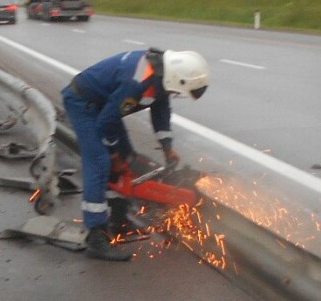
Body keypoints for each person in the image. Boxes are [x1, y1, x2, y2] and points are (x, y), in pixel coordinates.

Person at [61, 48, 210, 261]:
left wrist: (167, 146)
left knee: (127, 157)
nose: (177, 95)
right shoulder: (138, 80)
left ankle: (119, 221)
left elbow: (160, 110)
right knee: (100, 161)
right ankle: (96, 236)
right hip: (83, 104)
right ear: (178, 79)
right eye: (180, 91)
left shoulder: (162, 77)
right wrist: (113, 157)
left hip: (105, 106)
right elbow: (106, 123)